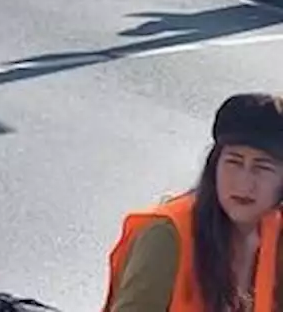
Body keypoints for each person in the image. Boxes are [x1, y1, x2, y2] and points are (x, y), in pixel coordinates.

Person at [103, 93, 283, 312]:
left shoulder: (275, 232)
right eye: (234, 162)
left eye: (262, 168)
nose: (244, 183)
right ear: (214, 165)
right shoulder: (167, 236)